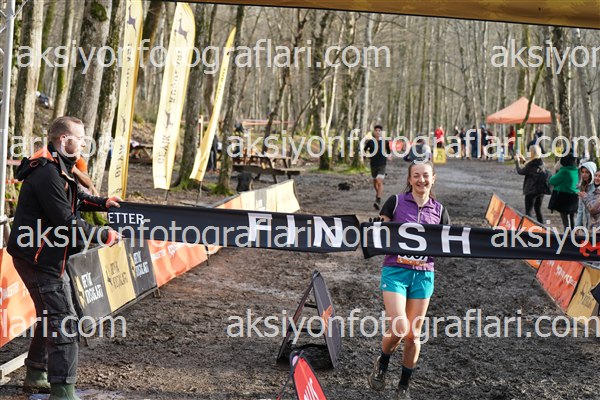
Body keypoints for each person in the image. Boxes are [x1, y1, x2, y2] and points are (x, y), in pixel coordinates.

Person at [7, 116, 122, 400]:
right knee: (64, 321)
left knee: (51, 316)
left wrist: (103, 202)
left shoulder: (58, 167)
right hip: (38, 259)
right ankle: (63, 391)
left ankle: (36, 373)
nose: (83, 144)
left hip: (43, 256)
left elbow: (76, 197)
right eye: (79, 139)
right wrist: (101, 234)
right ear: (63, 140)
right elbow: (66, 220)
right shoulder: (46, 173)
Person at [367, 161, 450, 400]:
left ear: (433, 178)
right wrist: (374, 229)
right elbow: (380, 233)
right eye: (416, 175)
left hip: (423, 275)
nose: (421, 180)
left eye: (426, 175)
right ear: (409, 179)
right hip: (395, 271)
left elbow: (449, 242)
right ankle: (382, 364)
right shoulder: (395, 202)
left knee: (413, 334)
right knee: (400, 328)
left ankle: (404, 385)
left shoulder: (440, 210)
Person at [515, 145, 548, 223]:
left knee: (528, 211)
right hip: (540, 190)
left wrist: (517, 161)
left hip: (531, 191)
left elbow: (521, 171)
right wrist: (523, 160)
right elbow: (529, 167)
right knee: (538, 210)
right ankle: (542, 226)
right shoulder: (542, 163)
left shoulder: (531, 165)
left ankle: (529, 226)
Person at [548, 153, 579, 230]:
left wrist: (557, 169)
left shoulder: (564, 171)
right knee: (572, 217)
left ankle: (567, 233)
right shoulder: (577, 171)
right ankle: (573, 232)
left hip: (565, 197)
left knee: (565, 218)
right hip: (575, 196)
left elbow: (552, 181)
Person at [364, 125, 391, 210]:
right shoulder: (370, 142)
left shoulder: (385, 141)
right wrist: (365, 157)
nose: (378, 132)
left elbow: (388, 150)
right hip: (373, 164)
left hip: (382, 164)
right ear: (374, 132)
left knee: (379, 181)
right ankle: (378, 195)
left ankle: (378, 200)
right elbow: (365, 150)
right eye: (376, 130)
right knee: (375, 183)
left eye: (379, 130)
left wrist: (389, 156)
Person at [575, 161, 597, 228]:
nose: (584, 174)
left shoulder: (596, 188)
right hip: (586, 224)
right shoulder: (582, 187)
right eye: (582, 172)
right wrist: (577, 226)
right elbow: (580, 209)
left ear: (592, 173)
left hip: (596, 224)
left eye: (587, 172)